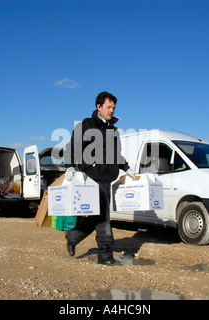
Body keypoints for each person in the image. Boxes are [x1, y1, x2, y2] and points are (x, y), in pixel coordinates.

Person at [64, 91, 136, 266]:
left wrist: (126, 167)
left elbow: (115, 155)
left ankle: (73, 236)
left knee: (96, 216)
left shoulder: (113, 130)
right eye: (108, 107)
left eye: (113, 107)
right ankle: (105, 255)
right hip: (92, 177)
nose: (111, 110)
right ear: (99, 107)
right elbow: (73, 147)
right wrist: (69, 167)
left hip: (107, 177)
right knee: (103, 217)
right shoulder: (86, 126)